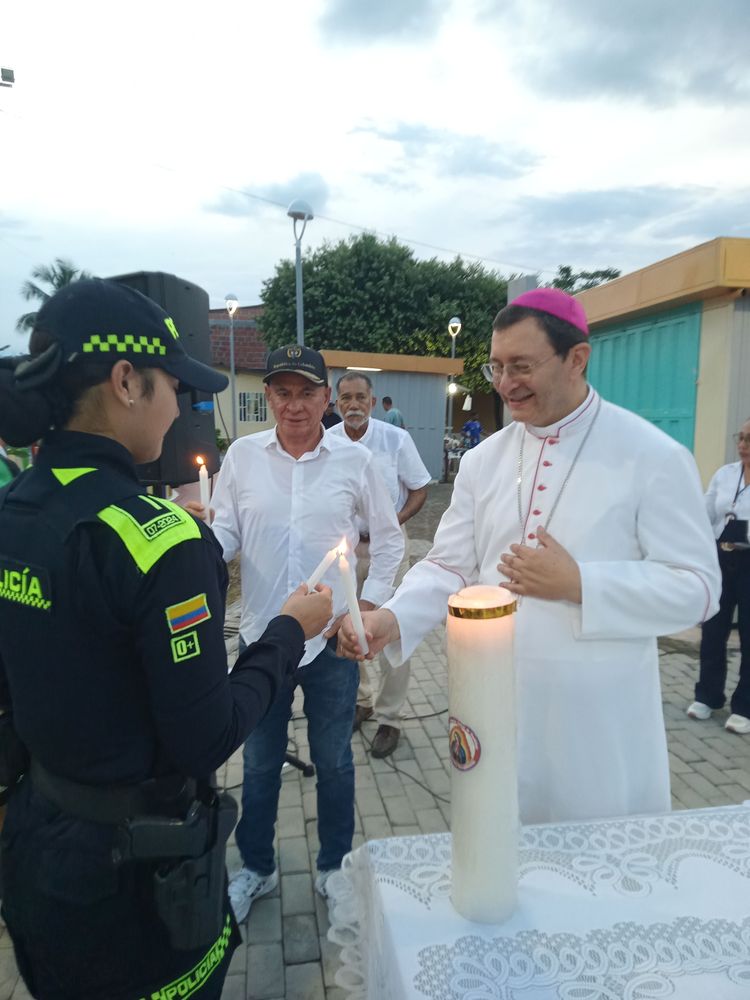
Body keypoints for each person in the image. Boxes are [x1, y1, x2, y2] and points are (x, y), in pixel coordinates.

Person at [0, 279, 332, 1000]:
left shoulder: (16, 507)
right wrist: (286, 632)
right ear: (126, 381)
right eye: (174, 386)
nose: (182, 405)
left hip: (38, 853)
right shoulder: (163, 541)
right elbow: (204, 736)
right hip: (139, 884)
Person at [339, 287, 721, 825]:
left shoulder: (653, 456)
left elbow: (700, 589)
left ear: (577, 359)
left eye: (521, 365)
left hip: (597, 715)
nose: (504, 383)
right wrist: (392, 617)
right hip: (494, 699)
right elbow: (451, 564)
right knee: (500, 850)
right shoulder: (483, 460)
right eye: (495, 366)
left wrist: (581, 584)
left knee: (595, 860)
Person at [205, 345, 404, 921]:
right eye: (282, 392)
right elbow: (225, 535)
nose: (295, 406)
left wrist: (365, 606)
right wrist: (195, 552)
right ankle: (258, 870)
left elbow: (389, 542)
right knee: (260, 760)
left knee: (335, 759)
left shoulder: (355, 461)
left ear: (327, 397)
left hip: (332, 644)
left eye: (307, 392)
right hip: (264, 635)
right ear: (268, 396)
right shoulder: (242, 457)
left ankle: (335, 869)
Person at [328, 372, 431, 757]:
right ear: (335, 404)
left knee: (392, 630)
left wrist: (394, 523)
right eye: (345, 399)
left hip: (389, 550)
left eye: (360, 398)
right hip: (346, 552)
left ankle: (390, 718)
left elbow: (421, 488)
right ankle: (363, 699)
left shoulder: (396, 440)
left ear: (373, 403)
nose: (353, 405)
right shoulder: (328, 442)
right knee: (349, 626)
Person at [688, 420, 750, 734]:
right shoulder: (725, 475)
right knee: (713, 628)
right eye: (740, 437)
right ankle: (708, 695)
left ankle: (744, 707)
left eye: (749, 439)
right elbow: (705, 513)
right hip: (722, 557)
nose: (742, 444)